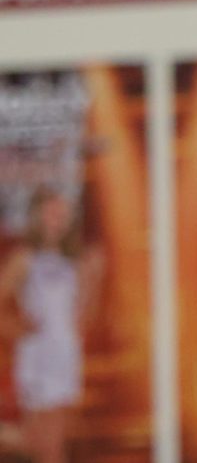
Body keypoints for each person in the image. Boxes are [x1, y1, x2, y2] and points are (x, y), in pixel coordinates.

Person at [0, 187, 104, 463]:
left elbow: (84, 318)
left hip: (66, 356)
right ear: (37, 216)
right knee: (47, 447)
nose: (59, 217)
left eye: (64, 212)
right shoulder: (25, 259)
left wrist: (94, 281)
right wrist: (14, 325)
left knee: (48, 444)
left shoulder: (75, 261)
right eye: (52, 211)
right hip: (38, 355)